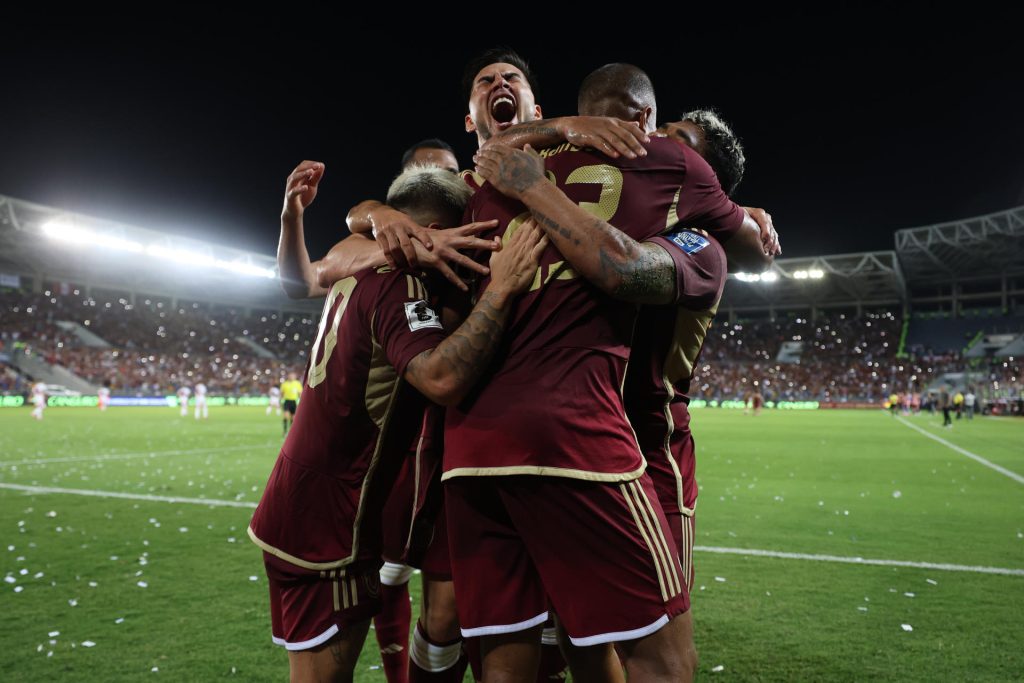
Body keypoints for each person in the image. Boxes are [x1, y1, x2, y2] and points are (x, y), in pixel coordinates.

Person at [249, 163, 545, 683]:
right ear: (434, 233)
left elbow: (301, 280)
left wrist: (304, 214)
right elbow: (440, 378)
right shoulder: (401, 286)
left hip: (311, 505)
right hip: (329, 525)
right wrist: (502, 289)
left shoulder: (355, 266)